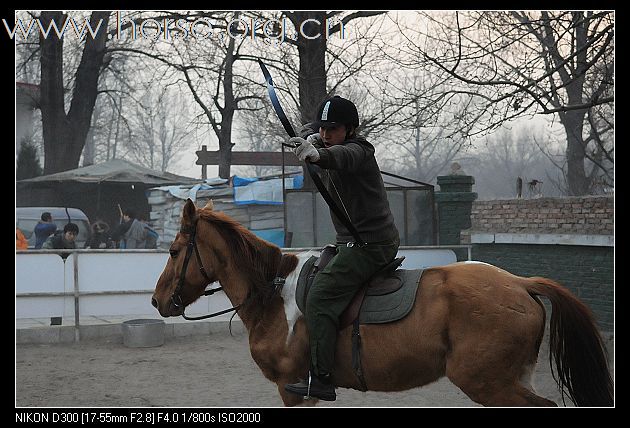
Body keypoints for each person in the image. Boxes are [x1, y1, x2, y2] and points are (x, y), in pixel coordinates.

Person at [284, 96, 400, 401]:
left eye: (332, 129)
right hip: (349, 242)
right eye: (321, 129)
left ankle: (321, 379)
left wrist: (318, 154)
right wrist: (316, 149)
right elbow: (328, 152)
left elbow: (341, 156)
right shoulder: (329, 146)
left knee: (320, 298)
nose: (325, 135)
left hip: (371, 244)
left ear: (350, 129)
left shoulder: (361, 150)